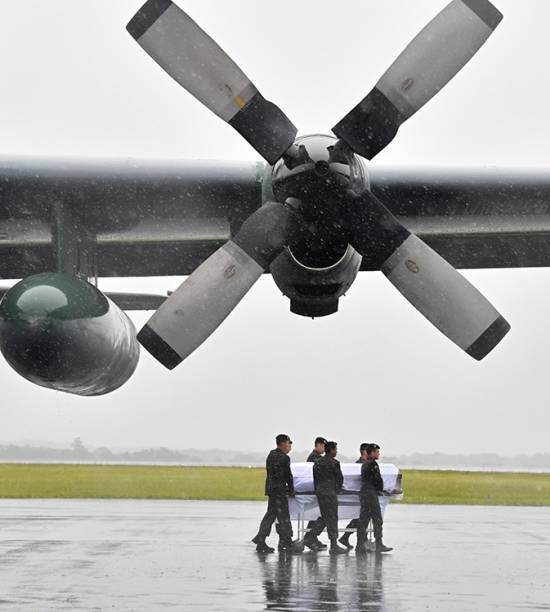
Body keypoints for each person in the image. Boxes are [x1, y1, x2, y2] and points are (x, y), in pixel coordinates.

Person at [252, 434, 301, 554]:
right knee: (283, 517)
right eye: (288, 443)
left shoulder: (271, 454)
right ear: (283, 443)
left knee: (271, 515)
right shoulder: (284, 458)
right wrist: (291, 490)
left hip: (272, 490)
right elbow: (288, 475)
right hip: (279, 491)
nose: (289, 446)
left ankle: (261, 539)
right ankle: (287, 542)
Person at [307, 441, 348, 554]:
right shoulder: (335, 463)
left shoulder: (318, 462)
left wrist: (319, 490)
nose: (336, 451)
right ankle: (333, 545)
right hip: (330, 493)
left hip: (321, 493)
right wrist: (336, 490)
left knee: (325, 517)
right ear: (332, 450)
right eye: (335, 449)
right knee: (332, 518)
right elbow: (340, 480)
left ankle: (310, 536)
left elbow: (315, 478)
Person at [356, 443, 393, 554]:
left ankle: (360, 545)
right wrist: (380, 489)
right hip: (371, 494)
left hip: (364, 494)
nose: (378, 453)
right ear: (371, 452)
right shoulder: (373, 464)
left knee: (364, 520)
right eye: (377, 451)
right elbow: (377, 481)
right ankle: (379, 544)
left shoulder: (365, 464)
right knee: (377, 520)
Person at [339, 442, 370, 549]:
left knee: (360, 517)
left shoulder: (362, 463)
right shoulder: (360, 464)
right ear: (365, 452)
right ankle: (362, 541)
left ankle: (346, 537)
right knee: (362, 518)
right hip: (361, 494)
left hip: (360, 493)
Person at [304, 437, 328, 551]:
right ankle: (310, 537)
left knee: (316, 515)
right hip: (318, 489)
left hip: (318, 489)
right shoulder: (314, 458)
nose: (324, 448)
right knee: (323, 515)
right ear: (317, 445)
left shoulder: (316, 457)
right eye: (323, 446)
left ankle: (310, 537)